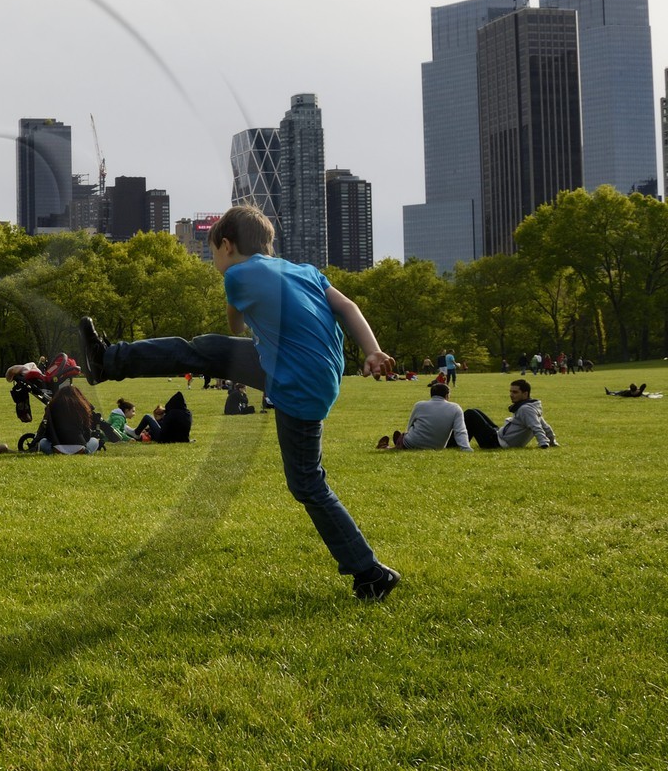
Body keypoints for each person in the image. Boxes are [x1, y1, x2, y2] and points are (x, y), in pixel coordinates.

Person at [79, 203, 401, 601]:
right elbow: (348, 307)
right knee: (201, 350)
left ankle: (369, 572)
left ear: (227, 246)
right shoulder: (304, 271)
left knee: (307, 484)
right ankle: (107, 359)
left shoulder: (239, 274)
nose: (214, 260)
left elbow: (235, 326)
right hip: (314, 370)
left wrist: (243, 324)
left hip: (296, 381)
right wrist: (372, 351)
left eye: (212, 252)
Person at [464, 379, 559, 449]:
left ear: (525, 394)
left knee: (470, 414)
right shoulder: (531, 407)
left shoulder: (525, 409)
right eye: (510, 391)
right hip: (499, 436)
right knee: (476, 411)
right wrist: (552, 441)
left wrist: (543, 444)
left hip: (496, 443)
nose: (511, 394)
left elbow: (536, 427)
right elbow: (545, 426)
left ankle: (453, 444)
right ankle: (461, 442)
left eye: (515, 392)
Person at [378, 382, 469, 450]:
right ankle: (398, 442)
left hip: (412, 443)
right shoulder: (455, 408)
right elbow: (460, 431)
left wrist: (406, 434)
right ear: (447, 395)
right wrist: (466, 448)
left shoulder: (419, 405)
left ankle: (392, 445)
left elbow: (410, 426)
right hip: (437, 446)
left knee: (405, 438)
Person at [36, 384, 100, 454]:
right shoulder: (81, 407)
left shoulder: (52, 405)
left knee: (43, 442)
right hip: (79, 448)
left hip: (57, 449)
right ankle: (86, 452)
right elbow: (87, 433)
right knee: (94, 441)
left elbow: (48, 431)